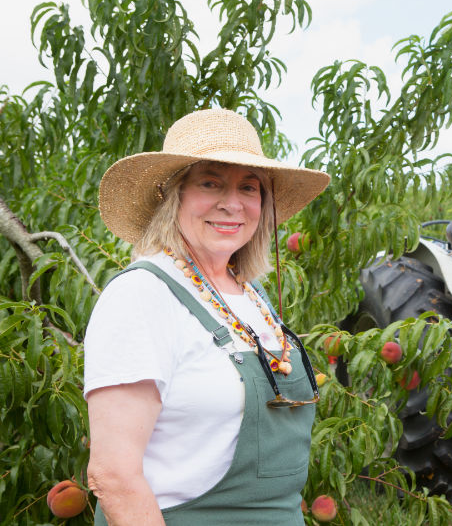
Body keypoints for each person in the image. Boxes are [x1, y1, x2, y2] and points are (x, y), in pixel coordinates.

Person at [83, 108, 330, 525]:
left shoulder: (251, 296)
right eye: (210, 182)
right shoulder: (142, 296)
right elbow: (113, 476)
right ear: (171, 195)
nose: (232, 204)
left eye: (249, 188)